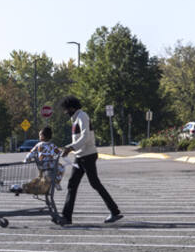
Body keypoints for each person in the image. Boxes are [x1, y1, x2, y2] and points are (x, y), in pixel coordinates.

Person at [58, 96, 121, 225]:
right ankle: (66, 217)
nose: (65, 112)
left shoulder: (82, 116)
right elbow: (78, 138)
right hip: (80, 156)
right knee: (72, 184)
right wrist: (69, 147)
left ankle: (114, 211)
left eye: (66, 109)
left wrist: (71, 147)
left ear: (72, 108)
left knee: (95, 183)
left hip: (88, 155)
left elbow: (85, 136)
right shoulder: (75, 119)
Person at [20, 126, 64, 195]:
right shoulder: (52, 145)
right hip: (51, 166)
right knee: (62, 167)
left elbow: (31, 153)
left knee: (43, 176)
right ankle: (57, 182)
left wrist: (26, 160)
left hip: (42, 166)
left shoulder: (38, 145)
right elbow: (59, 153)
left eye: (40, 135)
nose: (39, 136)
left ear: (43, 136)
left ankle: (36, 184)